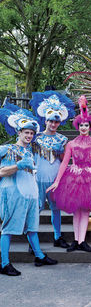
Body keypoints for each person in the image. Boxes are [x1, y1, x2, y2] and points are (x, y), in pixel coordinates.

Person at [47, 96, 91, 252]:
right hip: (74, 177)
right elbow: (65, 163)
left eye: (86, 125)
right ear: (78, 126)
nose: (84, 127)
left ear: (90, 126)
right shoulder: (71, 144)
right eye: (81, 125)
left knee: (85, 211)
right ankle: (75, 240)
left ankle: (82, 241)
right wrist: (57, 181)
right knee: (76, 211)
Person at [0, 103, 58, 276]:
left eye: (32, 133)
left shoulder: (31, 151)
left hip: (31, 195)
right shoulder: (7, 149)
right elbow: (1, 172)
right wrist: (17, 166)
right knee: (9, 229)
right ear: (19, 132)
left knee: (32, 228)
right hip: (14, 194)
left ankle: (39, 256)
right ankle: (4, 263)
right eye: (26, 132)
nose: (29, 135)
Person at [30, 90, 75, 250]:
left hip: (56, 180)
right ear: (46, 120)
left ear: (60, 122)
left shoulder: (63, 139)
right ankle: (32, 240)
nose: (53, 124)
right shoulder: (35, 138)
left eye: (56, 122)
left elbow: (65, 160)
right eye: (50, 121)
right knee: (36, 210)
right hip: (38, 179)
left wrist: (60, 152)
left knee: (56, 209)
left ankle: (58, 237)